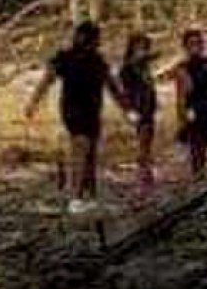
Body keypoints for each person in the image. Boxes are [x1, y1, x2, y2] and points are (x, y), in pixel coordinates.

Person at [26, 17, 122, 212]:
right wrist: (34, 102)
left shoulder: (98, 61)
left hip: (93, 110)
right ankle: (75, 196)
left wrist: (127, 107)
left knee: (91, 153)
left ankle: (89, 194)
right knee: (80, 149)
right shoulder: (66, 58)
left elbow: (112, 86)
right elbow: (47, 80)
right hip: (73, 110)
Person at [170, 27, 207, 178]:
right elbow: (181, 97)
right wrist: (182, 121)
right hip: (196, 115)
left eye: (198, 43)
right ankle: (199, 187)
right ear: (185, 47)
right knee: (198, 157)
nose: (195, 47)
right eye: (191, 44)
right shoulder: (183, 68)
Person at [119, 31, 158, 195]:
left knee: (148, 142)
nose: (143, 50)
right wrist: (129, 110)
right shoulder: (128, 67)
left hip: (148, 108)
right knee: (142, 144)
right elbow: (125, 90)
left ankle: (146, 174)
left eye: (145, 47)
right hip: (138, 108)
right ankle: (142, 179)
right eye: (139, 46)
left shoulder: (143, 67)